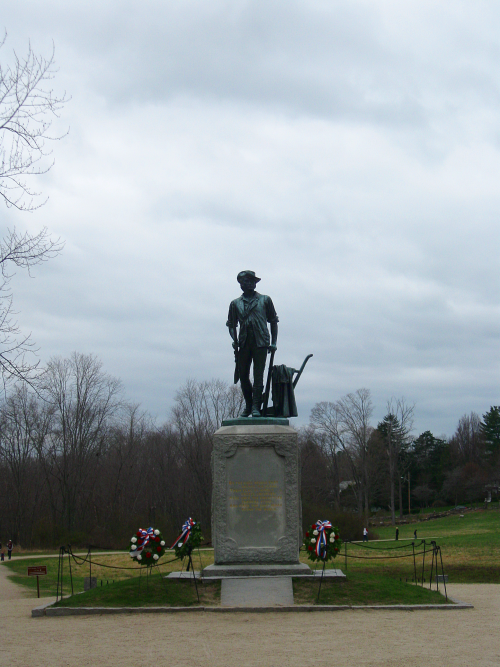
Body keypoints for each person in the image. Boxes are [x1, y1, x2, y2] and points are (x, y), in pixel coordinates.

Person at [227, 271, 278, 417]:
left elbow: (273, 321)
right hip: (243, 343)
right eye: (244, 282)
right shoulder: (235, 304)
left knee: (258, 375)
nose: (247, 284)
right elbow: (231, 325)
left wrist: (274, 342)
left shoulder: (265, 300)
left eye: (250, 281)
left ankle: (256, 406)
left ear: (255, 283)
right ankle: (249, 405)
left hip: (261, 341)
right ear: (241, 285)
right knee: (243, 376)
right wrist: (234, 339)